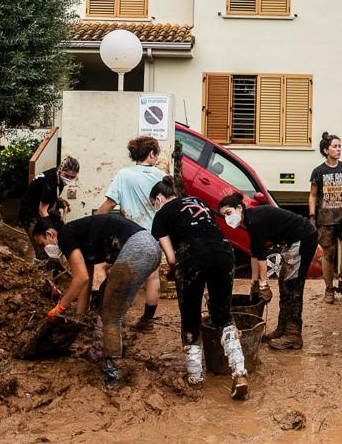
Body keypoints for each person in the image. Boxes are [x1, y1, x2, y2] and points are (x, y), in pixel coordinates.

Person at [33, 212, 160, 386]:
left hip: (138, 248)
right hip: (150, 246)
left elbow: (80, 279)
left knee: (111, 313)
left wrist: (60, 307)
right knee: (103, 295)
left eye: (42, 243)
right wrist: (79, 317)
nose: (45, 249)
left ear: (50, 234)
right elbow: (87, 280)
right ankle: (103, 349)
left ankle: (113, 370)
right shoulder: (80, 236)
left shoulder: (65, 236)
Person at [149, 177, 248, 399]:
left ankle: (195, 378)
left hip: (191, 257)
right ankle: (239, 372)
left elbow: (172, 259)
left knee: (190, 316)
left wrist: (178, 271)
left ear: (158, 199)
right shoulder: (199, 202)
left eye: (153, 203)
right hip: (224, 253)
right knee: (222, 314)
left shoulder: (162, 214)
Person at [218, 192, 317, 351]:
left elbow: (262, 257)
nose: (227, 219)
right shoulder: (250, 220)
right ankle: (282, 328)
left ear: (239, 208)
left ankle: (293, 335)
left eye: (229, 213)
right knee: (284, 283)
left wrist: (263, 285)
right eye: (224, 216)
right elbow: (255, 253)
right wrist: (254, 281)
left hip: (303, 237)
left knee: (292, 286)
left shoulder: (255, 220)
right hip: (293, 240)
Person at [98, 136, 165, 332]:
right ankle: (147, 321)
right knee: (152, 277)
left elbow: (109, 204)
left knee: (120, 274)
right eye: (156, 154)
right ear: (151, 154)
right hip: (154, 235)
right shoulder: (161, 176)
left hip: (128, 235)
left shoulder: (124, 175)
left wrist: (95, 223)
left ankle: (112, 318)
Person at [309, 131, 342, 305]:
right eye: (335, 146)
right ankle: (329, 288)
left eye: (340, 146)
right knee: (328, 254)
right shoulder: (318, 171)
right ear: (326, 150)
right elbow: (313, 196)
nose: (339, 149)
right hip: (326, 219)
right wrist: (311, 216)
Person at [18, 156, 80, 256]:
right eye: (67, 175)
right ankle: (40, 264)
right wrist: (51, 229)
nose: (69, 179)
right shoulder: (50, 181)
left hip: (39, 208)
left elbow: (48, 196)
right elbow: (42, 211)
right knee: (43, 246)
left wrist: (59, 201)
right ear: (60, 169)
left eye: (72, 177)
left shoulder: (58, 178)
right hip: (30, 214)